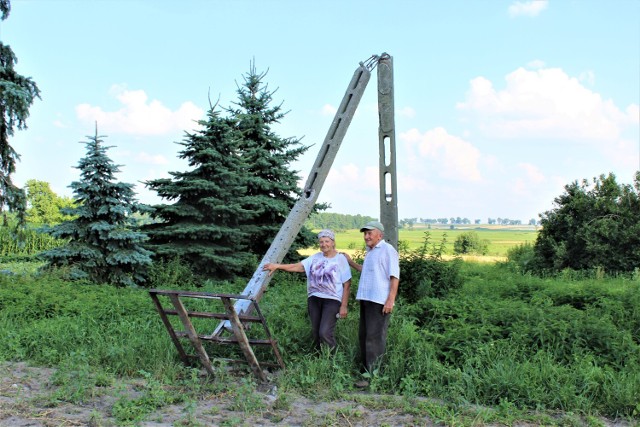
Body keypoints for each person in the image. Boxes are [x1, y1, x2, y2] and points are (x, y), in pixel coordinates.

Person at [263, 229, 351, 350]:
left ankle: (332, 358)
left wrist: (344, 305)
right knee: (316, 332)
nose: (324, 244)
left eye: (327, 241)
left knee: (324, 332)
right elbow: (297, 267)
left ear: (333, 242)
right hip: (314, 299)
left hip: (332, 300)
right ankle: (320, 358)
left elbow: (347, 284)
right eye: (321, 242)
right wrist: (277, 266)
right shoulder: (315, 257)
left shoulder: (340, 259)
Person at [343, 220, 399, 387]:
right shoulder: (371, 252)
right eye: (365, 234)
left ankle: (371, 376)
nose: (366, 237)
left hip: (379, 301)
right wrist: (351, 262)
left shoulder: (387, 250)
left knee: (374, 338)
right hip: (367, 299)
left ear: (379, 235)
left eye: (369, 233)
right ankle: (365, 370)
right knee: (364, 336)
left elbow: (394, 276)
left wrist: (390, 300)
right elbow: (366, 270)